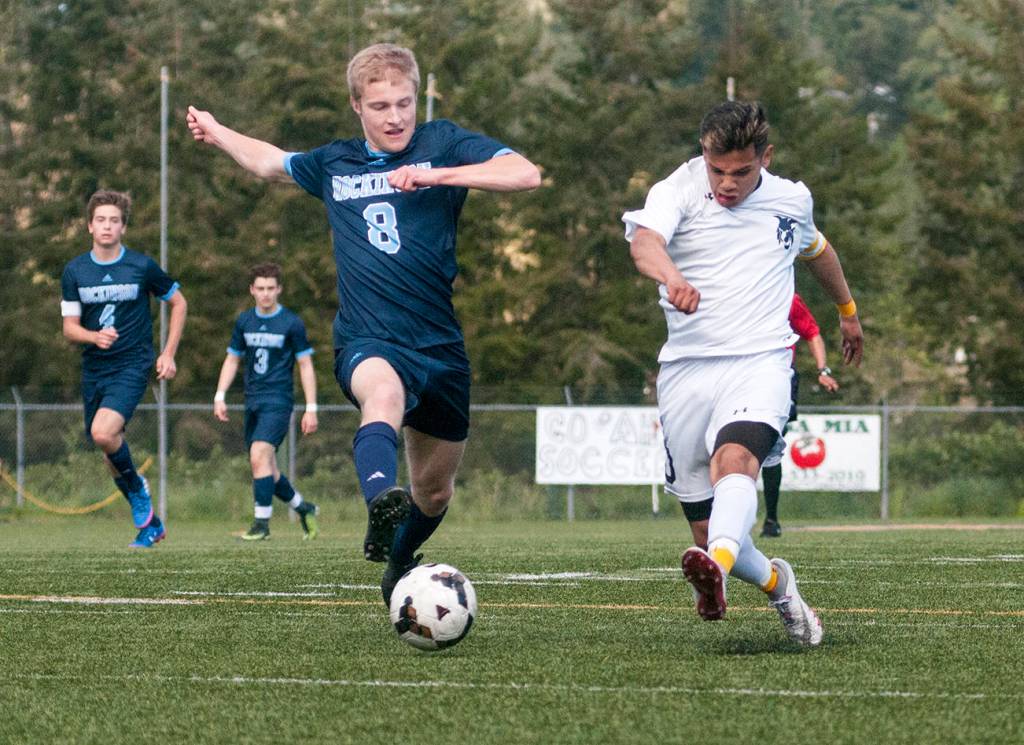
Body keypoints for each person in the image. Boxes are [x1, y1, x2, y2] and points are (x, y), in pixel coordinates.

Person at [187, 43, 540, 602]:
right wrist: (217, 129)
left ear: (417, 99)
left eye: (404, 103)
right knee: (382, 400)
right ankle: (379, 499)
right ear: (357, 107)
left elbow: (525, 175)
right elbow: (267, 161)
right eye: (380, 106)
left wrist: (437, 176)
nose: (396, 117)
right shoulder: (335, 163)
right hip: (368, 337)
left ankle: (396, 561)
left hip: (441, 347)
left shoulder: (442, 143)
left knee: (436, 490)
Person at [623, 101, 863, 646]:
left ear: (765, 158)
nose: (727, 183)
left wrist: (847, 313)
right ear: (704, 155)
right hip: (686, 371)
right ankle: (777, 583)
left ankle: (718, 568)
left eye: (741, 171)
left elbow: (820, 250)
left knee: (737, 461)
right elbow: (644, 243)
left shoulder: (791, 199)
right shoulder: (679, 188)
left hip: (761, 361)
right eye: (717, 170)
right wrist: (672, 276)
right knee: (705, 529)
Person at [61, 189, 188, 548]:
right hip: (95, 370)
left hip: (133, 364)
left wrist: (168, 353)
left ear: (123, 227)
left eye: (113, 220)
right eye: (100, 219)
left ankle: (138, 491)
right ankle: (151, 526)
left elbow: (178, 302)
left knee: (104, 433)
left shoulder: (141, 266)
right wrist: (93, 336)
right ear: (89, 226)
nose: (107, 226)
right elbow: (69, 328)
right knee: (108, 446)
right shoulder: (75, 271)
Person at [213, 262, 320, 541]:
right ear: (252, 290)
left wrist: (311, 408)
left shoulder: (291, 323)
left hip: (278, 400)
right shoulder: (244, 321)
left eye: (271, 288)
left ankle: (261, 525)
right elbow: (233, 358)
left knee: (259, 455)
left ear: (279, 290)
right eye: (260, 288)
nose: (266, 294)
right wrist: (220, 395)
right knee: (266, 469)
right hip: (253, 402)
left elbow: (305, 365)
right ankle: (304, 508)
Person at [760, 292, 840, 538]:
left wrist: (823, 369)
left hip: (780, 376)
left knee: (770, 443)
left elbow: (812, 332)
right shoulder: (734, 290)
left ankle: (771, 519)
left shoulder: (785, 296)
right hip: (741, 371)